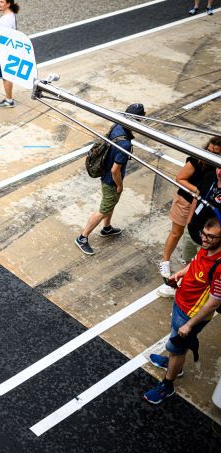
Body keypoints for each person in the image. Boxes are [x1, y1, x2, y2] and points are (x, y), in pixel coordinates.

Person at [144, 217, 221, 404]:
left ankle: (168, 385)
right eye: (204, 233)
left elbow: (214, 302)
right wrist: (180, 274)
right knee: (176, 345)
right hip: (181, 303)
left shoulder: (220, 267)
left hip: (191, 315)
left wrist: (190, 324)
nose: (204, 239)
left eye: (211, 237)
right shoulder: (206, 247)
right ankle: (174, 366)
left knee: (177, 349)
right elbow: (194, 265)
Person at [75, 103, 146, 255]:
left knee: (111, 203)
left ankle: (106, 228)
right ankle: (82, 237)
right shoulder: (125, 143)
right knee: (104, 209)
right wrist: (119, 185)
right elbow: (115, 170)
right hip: (111, 179)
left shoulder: (117, 126)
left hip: (105, 172)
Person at [157, 137, 221, 297]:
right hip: (186, 201)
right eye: (209, 151)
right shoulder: (198, 163)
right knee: (177, 233)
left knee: (197, 253)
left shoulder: (215, 173)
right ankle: (165, 261)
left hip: (203, 218)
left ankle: (187, 278)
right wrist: (197, 191)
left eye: (215, 153)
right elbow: (180, 179)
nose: (210, 154)